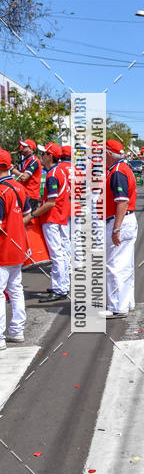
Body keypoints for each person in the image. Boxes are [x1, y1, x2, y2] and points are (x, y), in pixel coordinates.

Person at [0, 148, 32, 347]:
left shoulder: (1, 190)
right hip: (17, 245)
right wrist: (15, 228)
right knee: (15, 289)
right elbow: (27, 214)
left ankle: (1, 337)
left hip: (3, 249)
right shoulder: (19, 187)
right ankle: (16, 330)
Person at [31, 142, 70, 302]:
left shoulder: (53, 174)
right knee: (61, 253)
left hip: (52, 217)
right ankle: (60, 285)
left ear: (50, 156)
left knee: (56, 254)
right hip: (59, 216)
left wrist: (33, 214)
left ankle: (60, 288)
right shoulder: (59, 171)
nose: (42, 156)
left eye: (44, 154)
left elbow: (51, 202)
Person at [103, 139, 137, 317]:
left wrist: (116, 228)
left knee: (115, 265)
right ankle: (126, 302)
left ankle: (118, 306)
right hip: (126, 221)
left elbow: (122, 201)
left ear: (109, 154)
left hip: (120, 221)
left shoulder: (117, 171)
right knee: (125, 265)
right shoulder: (122, 168)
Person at [12, 138, 42, 213]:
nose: (22, 148)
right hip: (25, 193)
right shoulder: (26, 160)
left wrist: (12, 169)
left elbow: (24, 177)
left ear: (31, 149)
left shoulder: (34, 160)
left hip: (31, 195)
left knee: (29, 221)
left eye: (24, 147)